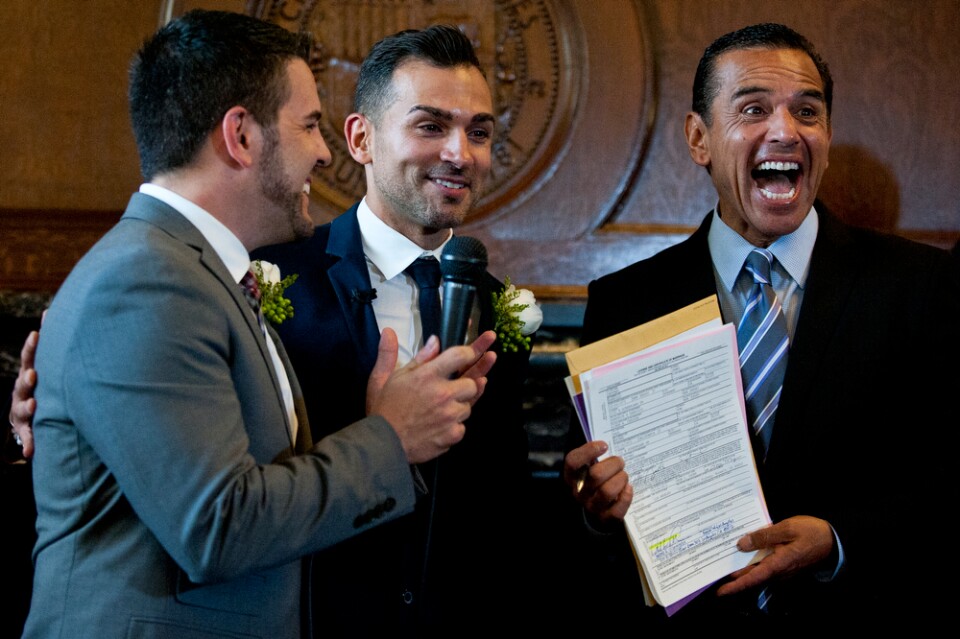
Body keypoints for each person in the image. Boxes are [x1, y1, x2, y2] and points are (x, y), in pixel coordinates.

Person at [18, 10, 497, 638]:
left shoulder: (204, 274)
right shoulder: (144, 280)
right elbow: (218, 526)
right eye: (307, 126)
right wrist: (390, 436)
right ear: (241, 136)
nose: (324, 154)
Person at [563, 22, 959, 627]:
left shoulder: (922, 286)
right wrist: (594, 509)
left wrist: (838, 539)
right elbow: (585, 508)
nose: (785, 131)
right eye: (753, 109)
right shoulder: (626, 302)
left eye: (807, 110)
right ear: (699, 138)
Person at [251, 25, 534, 633]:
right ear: (361, 139)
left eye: (478, 132)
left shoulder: (501, 307)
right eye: (431, 126)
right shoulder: (277, 280)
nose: (461, 153)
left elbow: (503, 509)